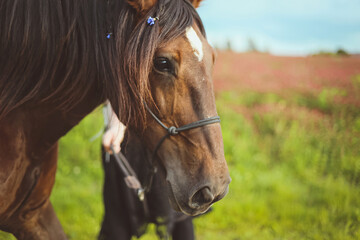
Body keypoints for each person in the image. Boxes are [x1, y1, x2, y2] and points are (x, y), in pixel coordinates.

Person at [99, 102, 196, 240]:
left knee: (179, 211)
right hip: (127, 141)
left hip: (169, 137)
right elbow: (117, 82)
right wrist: (117, 122)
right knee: (119, 211)